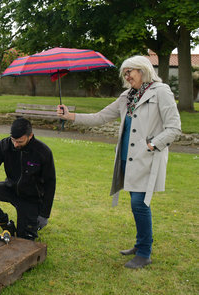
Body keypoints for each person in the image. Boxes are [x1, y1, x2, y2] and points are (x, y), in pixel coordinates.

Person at [57, 55, 181, 269]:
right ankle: (141, 244)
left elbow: (174, 128)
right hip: (127, 159)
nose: (126, 76)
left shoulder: (161, 92)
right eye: (125, 72)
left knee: (139, 204)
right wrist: (70, 116)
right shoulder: (127, 96)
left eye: (129, 71)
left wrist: (152, 145)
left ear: (142, 70)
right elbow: (100, 117)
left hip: (147, 159)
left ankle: (144, 253)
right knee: (137, 205)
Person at [0, 117, 56, 241]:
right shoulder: (4, 145)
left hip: (31, 198)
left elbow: (50, 184)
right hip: (10, 189)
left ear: (30, 136)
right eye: (13, 140)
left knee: (24, 240)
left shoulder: (43, 152)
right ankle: (6, 223)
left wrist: (44, 215)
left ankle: (27, 226)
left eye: (20, 141)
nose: (15, 144)